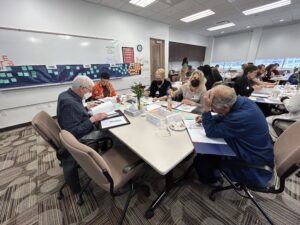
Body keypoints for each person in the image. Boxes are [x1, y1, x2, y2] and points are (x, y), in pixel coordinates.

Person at [194, 85, 274, 188]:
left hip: (251, 162)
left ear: (225, 107)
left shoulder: (240, 117)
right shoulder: (242, 101)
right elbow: (226, 115)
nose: (212, 110)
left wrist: (206, 111)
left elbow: (211, 131)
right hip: (261, 151)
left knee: (201, 160)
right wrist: (208, 118)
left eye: (212, 108)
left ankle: (213, 182)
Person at [57, 75, 107, 141]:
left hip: (78, 127)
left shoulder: (65, 94)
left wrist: (86, 108)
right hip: (80, 137)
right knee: (107, 132)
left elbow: (75, 112)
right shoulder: (70, 103)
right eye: (89, 91)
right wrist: (93, 119)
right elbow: (73, 132)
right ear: (81, 89)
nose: (90, 94)